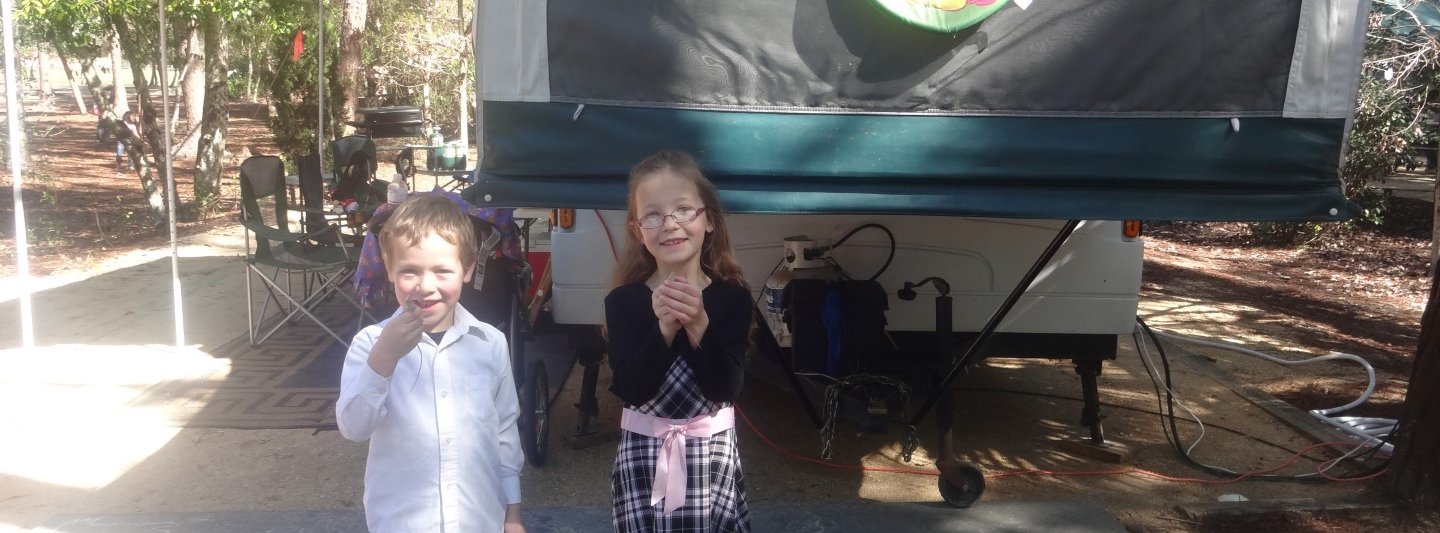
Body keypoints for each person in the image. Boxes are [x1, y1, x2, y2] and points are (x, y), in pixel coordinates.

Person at [337, 194, 526, 533]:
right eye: (409, 271)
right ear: (390, 268)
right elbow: (353, 427)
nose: (426, 287)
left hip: (479, 520)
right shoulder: (369, 343)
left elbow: (505, 432)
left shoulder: (491, 344)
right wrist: (383, 359)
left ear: (467, 269)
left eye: (442, 271)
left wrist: (512, 515)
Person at [605, 150, 753, 531]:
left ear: (709, 221)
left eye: (684, 209)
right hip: (644, 456)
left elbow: (727, 387)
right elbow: (632, 390)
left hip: (711, 455)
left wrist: (698, 322)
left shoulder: (732, 298)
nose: (670, 224)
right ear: (639, 230)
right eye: (653, 215)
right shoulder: (624, 301)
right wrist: (665, 329)